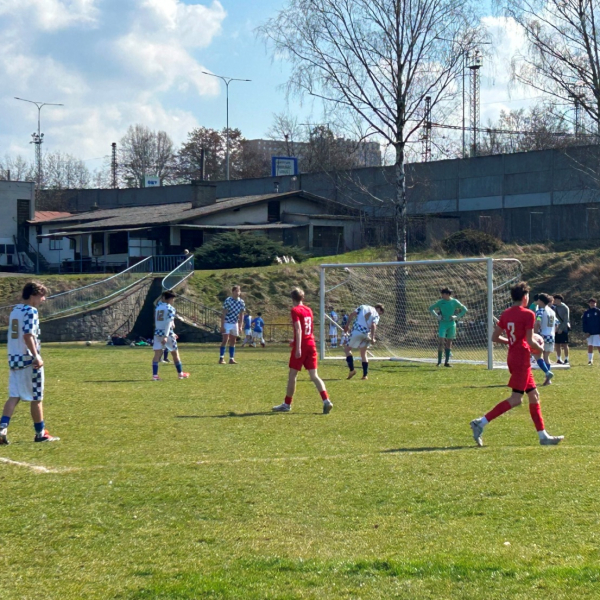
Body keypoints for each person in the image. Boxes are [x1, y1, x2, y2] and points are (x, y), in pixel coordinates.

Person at [470, 281, 563, 447]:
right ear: (525, 297)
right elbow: (530, 340)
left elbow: (494, 337)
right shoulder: (528, 314)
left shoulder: (506, 313)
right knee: (516, 399)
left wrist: (512, 342)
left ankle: (543, 436)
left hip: (513, 357)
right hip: (521, 359)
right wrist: (540, 348)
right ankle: (480, 423)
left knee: (534, 395)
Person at [0, 282, 59, 444]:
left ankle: (2, 428)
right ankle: (40, 433)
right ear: (33, 295)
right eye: (42, 296)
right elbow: (28, 335)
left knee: (14, 396)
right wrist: (36, 356)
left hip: (14, 358)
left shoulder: (15, 310)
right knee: (37, 397)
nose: (43, 299)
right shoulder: (30, 311)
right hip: (28, 360)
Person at [272, 287, 333, 414]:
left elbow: (299, 329)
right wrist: (295, 341)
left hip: (303, 345)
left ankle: (287, 404)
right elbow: (307, 330)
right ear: (303, 297)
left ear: (292, 298)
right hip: (311, 343)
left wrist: (298, 347)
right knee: (314, 376)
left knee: (292, 375)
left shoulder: (295, 310)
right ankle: (326, 400)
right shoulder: (308, 310)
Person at [152, 290, 190, 381]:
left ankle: (155, 376)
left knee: (157, 354)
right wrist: (166, 335)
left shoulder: (158, 307)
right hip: (167, 334)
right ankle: (180, 374)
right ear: (168, 299)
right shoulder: (170, 308)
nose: (173, 301)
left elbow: (159, 320)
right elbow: (168, 322)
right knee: (175, 353)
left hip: (157, 333)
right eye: (172, 299)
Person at [344, 303, 385, 380]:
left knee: (347, 349)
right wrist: (372, 338)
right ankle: (365, 375)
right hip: (366, 334)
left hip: (357, 331)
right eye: (380, 313)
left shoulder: (363, 307)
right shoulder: (376, 315)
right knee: (364, 354)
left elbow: (352, 314)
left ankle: (352, 370)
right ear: (379, 309)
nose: (379, 314)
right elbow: (373, 325)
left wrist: (347, 325)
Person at [428, 288, 468, 367]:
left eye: (443, 294)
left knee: (449, 343)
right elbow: (431, 308)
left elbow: (464, 309)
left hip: (452, 324)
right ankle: (439, 362)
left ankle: (446, 362)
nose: (442, 295)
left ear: (447, 294)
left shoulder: (454, 302)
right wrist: (437, 316)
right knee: (441, 342)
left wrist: (456, 317)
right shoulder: (440, 302)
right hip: (443, 324)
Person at [220, 285, 245, 364]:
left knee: (233, 341)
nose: (238, 293)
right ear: (233, 292)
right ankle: (221, 358)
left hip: (235, 323)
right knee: (225, 340)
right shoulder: (228, 300)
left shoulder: (241, 302)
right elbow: (224, 313)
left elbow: (241, 314)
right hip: (227, 322)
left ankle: (231, 359)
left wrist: (240, 325)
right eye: (236, 291)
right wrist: (222, 325)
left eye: (239, 291)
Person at [534, 293, 555, 386]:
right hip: (551, 336)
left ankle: (547, 373)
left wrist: (535, 334)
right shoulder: (552, 311)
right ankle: (548, 379)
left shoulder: (540, 311)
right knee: (546, 357)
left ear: (541, 301)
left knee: (537, 356)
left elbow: (538, 322)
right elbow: (556, 324)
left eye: (538, 300)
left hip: (542, 336)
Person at [582, 298, 600, 365]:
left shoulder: (598, 311)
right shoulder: (586, 312)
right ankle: (590, 360)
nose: (592, 304)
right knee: (590, 345)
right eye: (591, 303)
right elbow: (584, 323)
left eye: (593, 303)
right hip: (589, 333)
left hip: (597, 332)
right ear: (589, 304)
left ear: (596, 303)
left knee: (598, 346)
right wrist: (586, 331)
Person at [553, 294, 570, 364]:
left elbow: (566, 320)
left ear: (559, 300)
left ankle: (566, 358)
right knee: (557, 344)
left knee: (565, 344)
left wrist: (561, 328)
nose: (555, 301)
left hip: (564, 328)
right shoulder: (554, 307)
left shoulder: (565, 307)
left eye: (556, 299)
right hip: (556, 328)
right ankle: (558, 358)